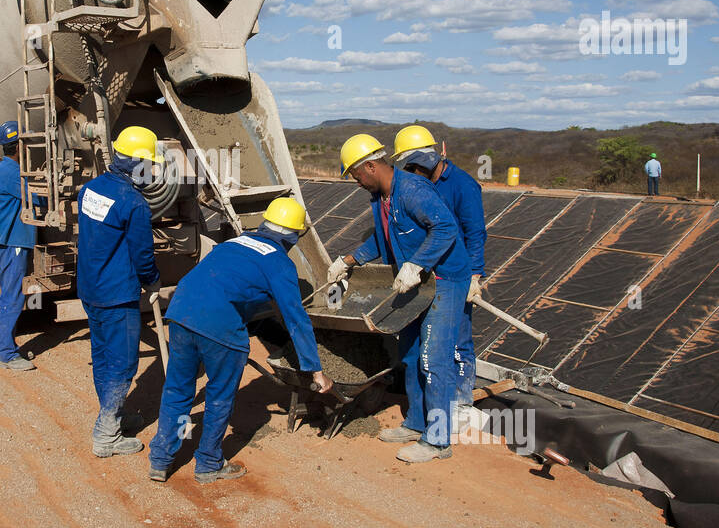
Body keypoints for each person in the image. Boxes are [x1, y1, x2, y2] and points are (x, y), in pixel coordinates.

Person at [147, 198, 332, 484]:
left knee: (178, 390)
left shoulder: (235, 243)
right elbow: (296, 319)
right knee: (219, 397)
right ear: (292, 237)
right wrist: (315, 371)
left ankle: (161, 459)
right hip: (219, 325)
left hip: (182, 312)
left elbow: (228, 286)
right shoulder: (279, 262)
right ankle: (208, 464)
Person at [328, 134, 469, 463]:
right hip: (415, 283)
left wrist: (417, 264)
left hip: (444, 281)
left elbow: (446, 228)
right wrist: (347, 262)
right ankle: (417, 423)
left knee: (434, 360)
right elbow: (382, 238)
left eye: (355, 174)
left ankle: (438, 441)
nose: (355, 181)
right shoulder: (379, 197)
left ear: (372, 167)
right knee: (409, 354)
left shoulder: (413, 190)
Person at [76, 125, 162, 458]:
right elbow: (143, 256)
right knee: (124, 362)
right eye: (149, 164)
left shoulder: (90, 190)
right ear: (137, 164)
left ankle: (115, 412)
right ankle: (106, 433)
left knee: (102, 355)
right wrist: (152, 280)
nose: (151, 171)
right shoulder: (134, 203)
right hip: (117, 295)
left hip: (91, 288)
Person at [392, 125, 486, 407]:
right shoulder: (417, 182)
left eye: (414, 162)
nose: (411, 168)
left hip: (456, 274)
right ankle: (430, 402)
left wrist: (474, 275)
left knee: (458, 338)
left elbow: (475, 232)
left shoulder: (463, 185)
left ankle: (460, 400)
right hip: (429, 272)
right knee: (430, 344)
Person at [0, 120, 37, 371]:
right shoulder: (11, 173)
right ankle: (6, 352)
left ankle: (3, 346)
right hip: (12, 240)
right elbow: (36, 197)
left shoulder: (3, 169)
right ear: (19, 147)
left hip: (9, 239)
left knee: (10, 293)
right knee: (12, 295)